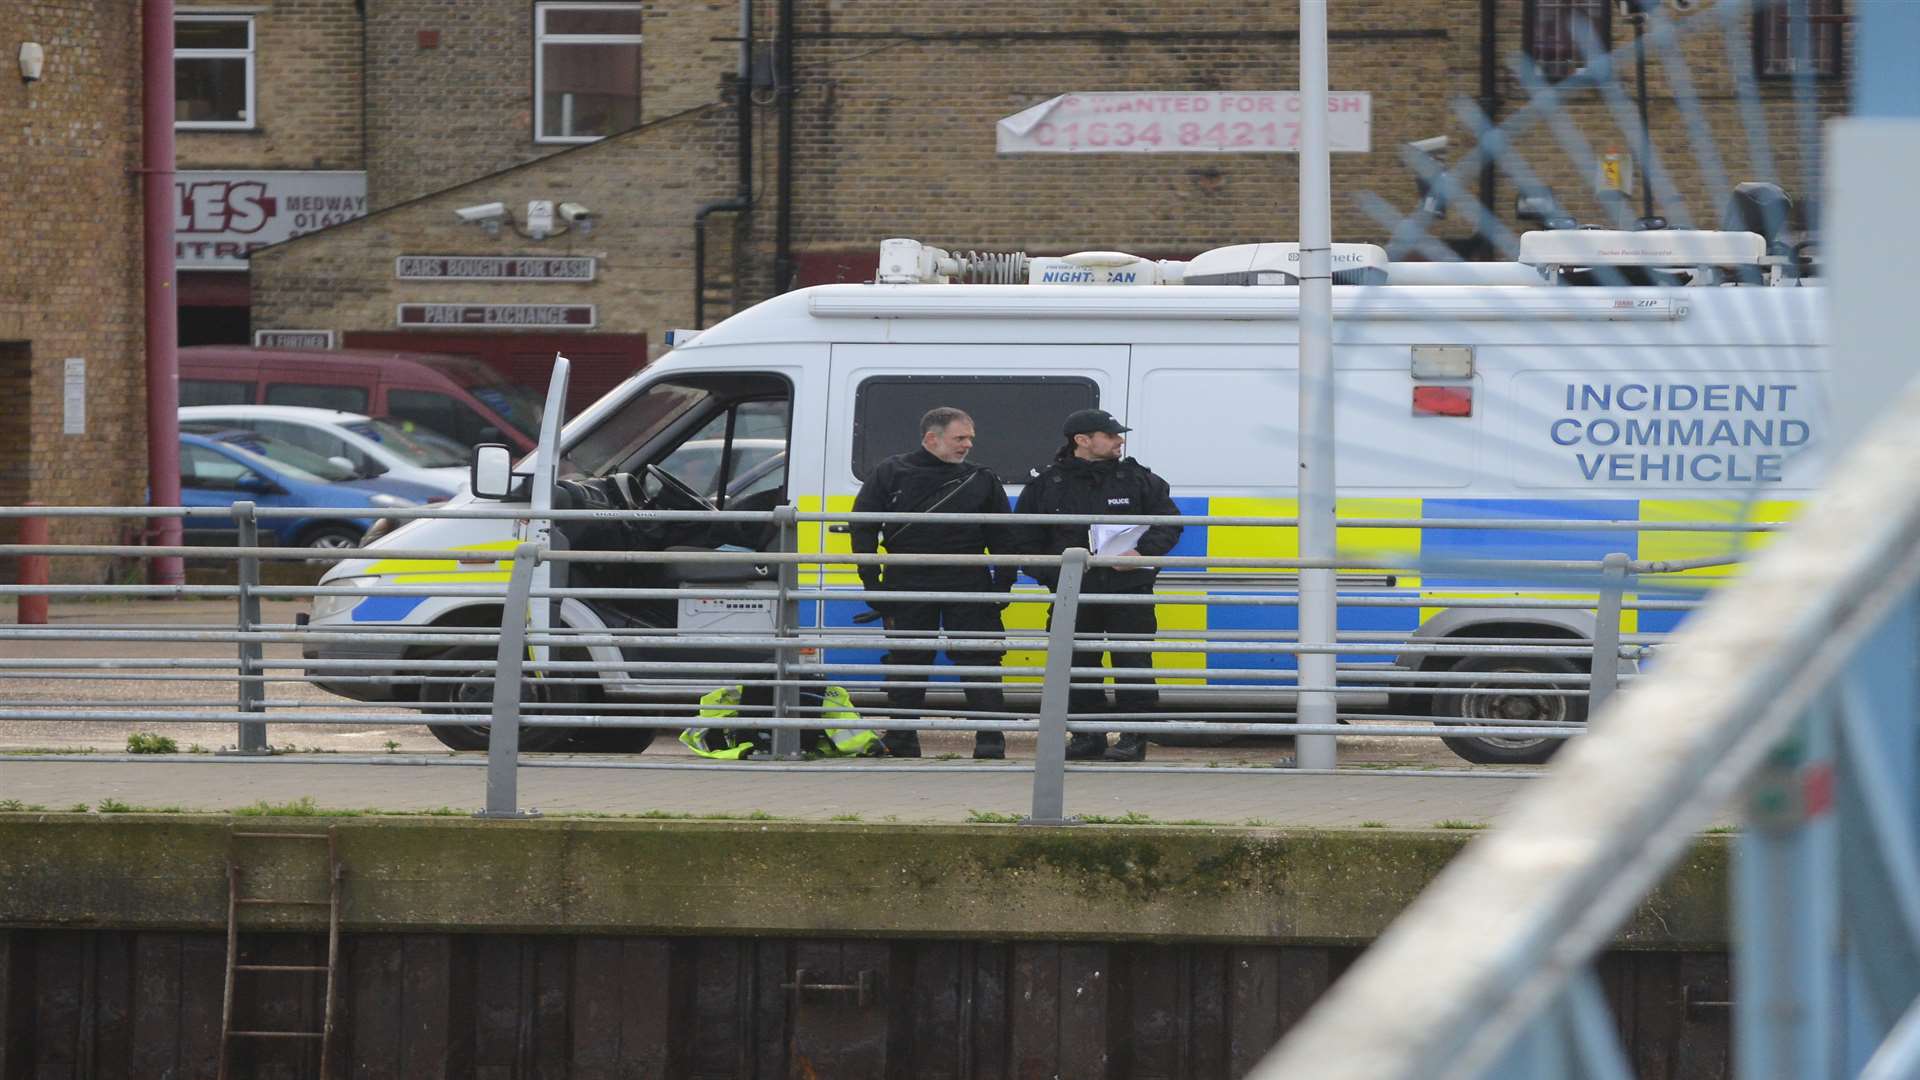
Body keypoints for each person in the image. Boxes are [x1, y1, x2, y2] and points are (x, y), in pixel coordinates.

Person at [1012, 408, 1182, 761]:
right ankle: (1087, 736)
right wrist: (1057, 576)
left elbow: (1170, 523)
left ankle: (1134, 738)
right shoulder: (1046, 485)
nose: (1120, 440)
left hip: (1128, 589)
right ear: (1082, 441)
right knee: (1075, 663)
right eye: (1111, 435)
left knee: (1132, 664)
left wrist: (1141, 553)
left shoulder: (1138, 480)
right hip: (1073, 590)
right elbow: (1023, 541)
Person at [849, 407, 1019, 759]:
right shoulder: (890, 473)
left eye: (970, 438)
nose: (968, 445)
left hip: (968, 577)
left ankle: (990, 741)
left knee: (981, 662)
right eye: (960, 438)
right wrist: (871, 581)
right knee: (909, 661)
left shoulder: (981, 478)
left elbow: (1003, 534)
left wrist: (1004, 583)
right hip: (908, 575)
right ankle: (902, 739)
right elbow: (862, 526)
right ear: (931, 439)